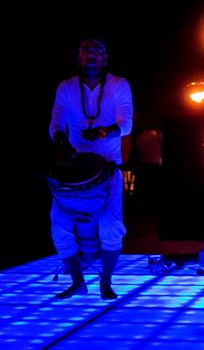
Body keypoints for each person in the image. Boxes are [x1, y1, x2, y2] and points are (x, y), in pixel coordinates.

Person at [49, 37, 133, 299]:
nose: (92, 55)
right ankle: (77, 281)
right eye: (86, 50)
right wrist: (61, 140)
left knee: (111, 227)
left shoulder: (119, 85)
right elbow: (55, 122)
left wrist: (106, 131)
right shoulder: (66, 87)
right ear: (78, 58)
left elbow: (127, 124)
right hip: (74, 169)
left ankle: (105, 282)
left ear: (105, 58)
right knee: (59, 226)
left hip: (108, 169)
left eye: (97, 50)